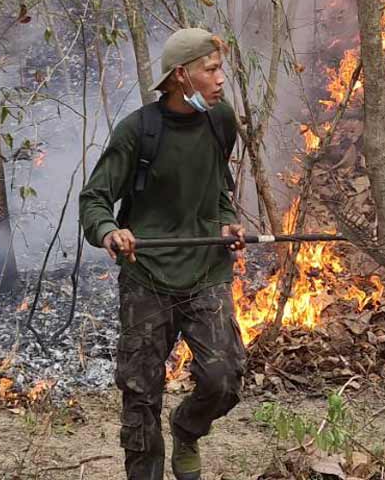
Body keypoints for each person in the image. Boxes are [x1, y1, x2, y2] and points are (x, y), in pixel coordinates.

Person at [78, 28, 247, 480]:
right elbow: (94, 199)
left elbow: (218, 191)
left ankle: (187, 429)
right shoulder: (139, 131)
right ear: (180, 76)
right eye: (210, 69)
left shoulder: (220, 120)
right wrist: (110, 231)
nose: (220, 78)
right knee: (140, 395)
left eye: (219, 68)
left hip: (206, 270)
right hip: (147, 276)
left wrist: (226, 222)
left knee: (224, 378)